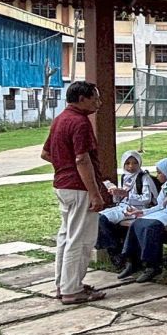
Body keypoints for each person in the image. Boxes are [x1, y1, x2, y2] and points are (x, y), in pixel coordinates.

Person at [40, 80, 108, 304]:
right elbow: (82, 159)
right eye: (95, 98)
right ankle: (72, 290)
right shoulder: (80, 122)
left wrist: (63, 167)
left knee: (66, 237)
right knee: (80, 239)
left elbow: (46, 153)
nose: (99, 102)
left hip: (63, 186)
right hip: (79, 188)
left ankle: (64, 284)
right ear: (82, 99)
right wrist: (95, 192)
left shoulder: (60, 119)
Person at [116, 158, 167, 283]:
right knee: (137, 223)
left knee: (151, 227)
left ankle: (152, 265)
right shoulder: (166, 186)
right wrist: (142, 212)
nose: (157, 176)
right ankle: (132, 261)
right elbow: (160, 206)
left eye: (160, 173)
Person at [95, 150, 160, 272]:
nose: (131, 166)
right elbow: (120, 199)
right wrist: (116, 192)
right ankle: (116, 249)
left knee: (102, 219)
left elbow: (147, 199)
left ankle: (117, 252)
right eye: (128, 163)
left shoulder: (144, 178)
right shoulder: (125, 176)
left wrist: (127, 194)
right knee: (98, 217)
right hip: (124, 206)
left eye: (135, 163)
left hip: (138, 209)